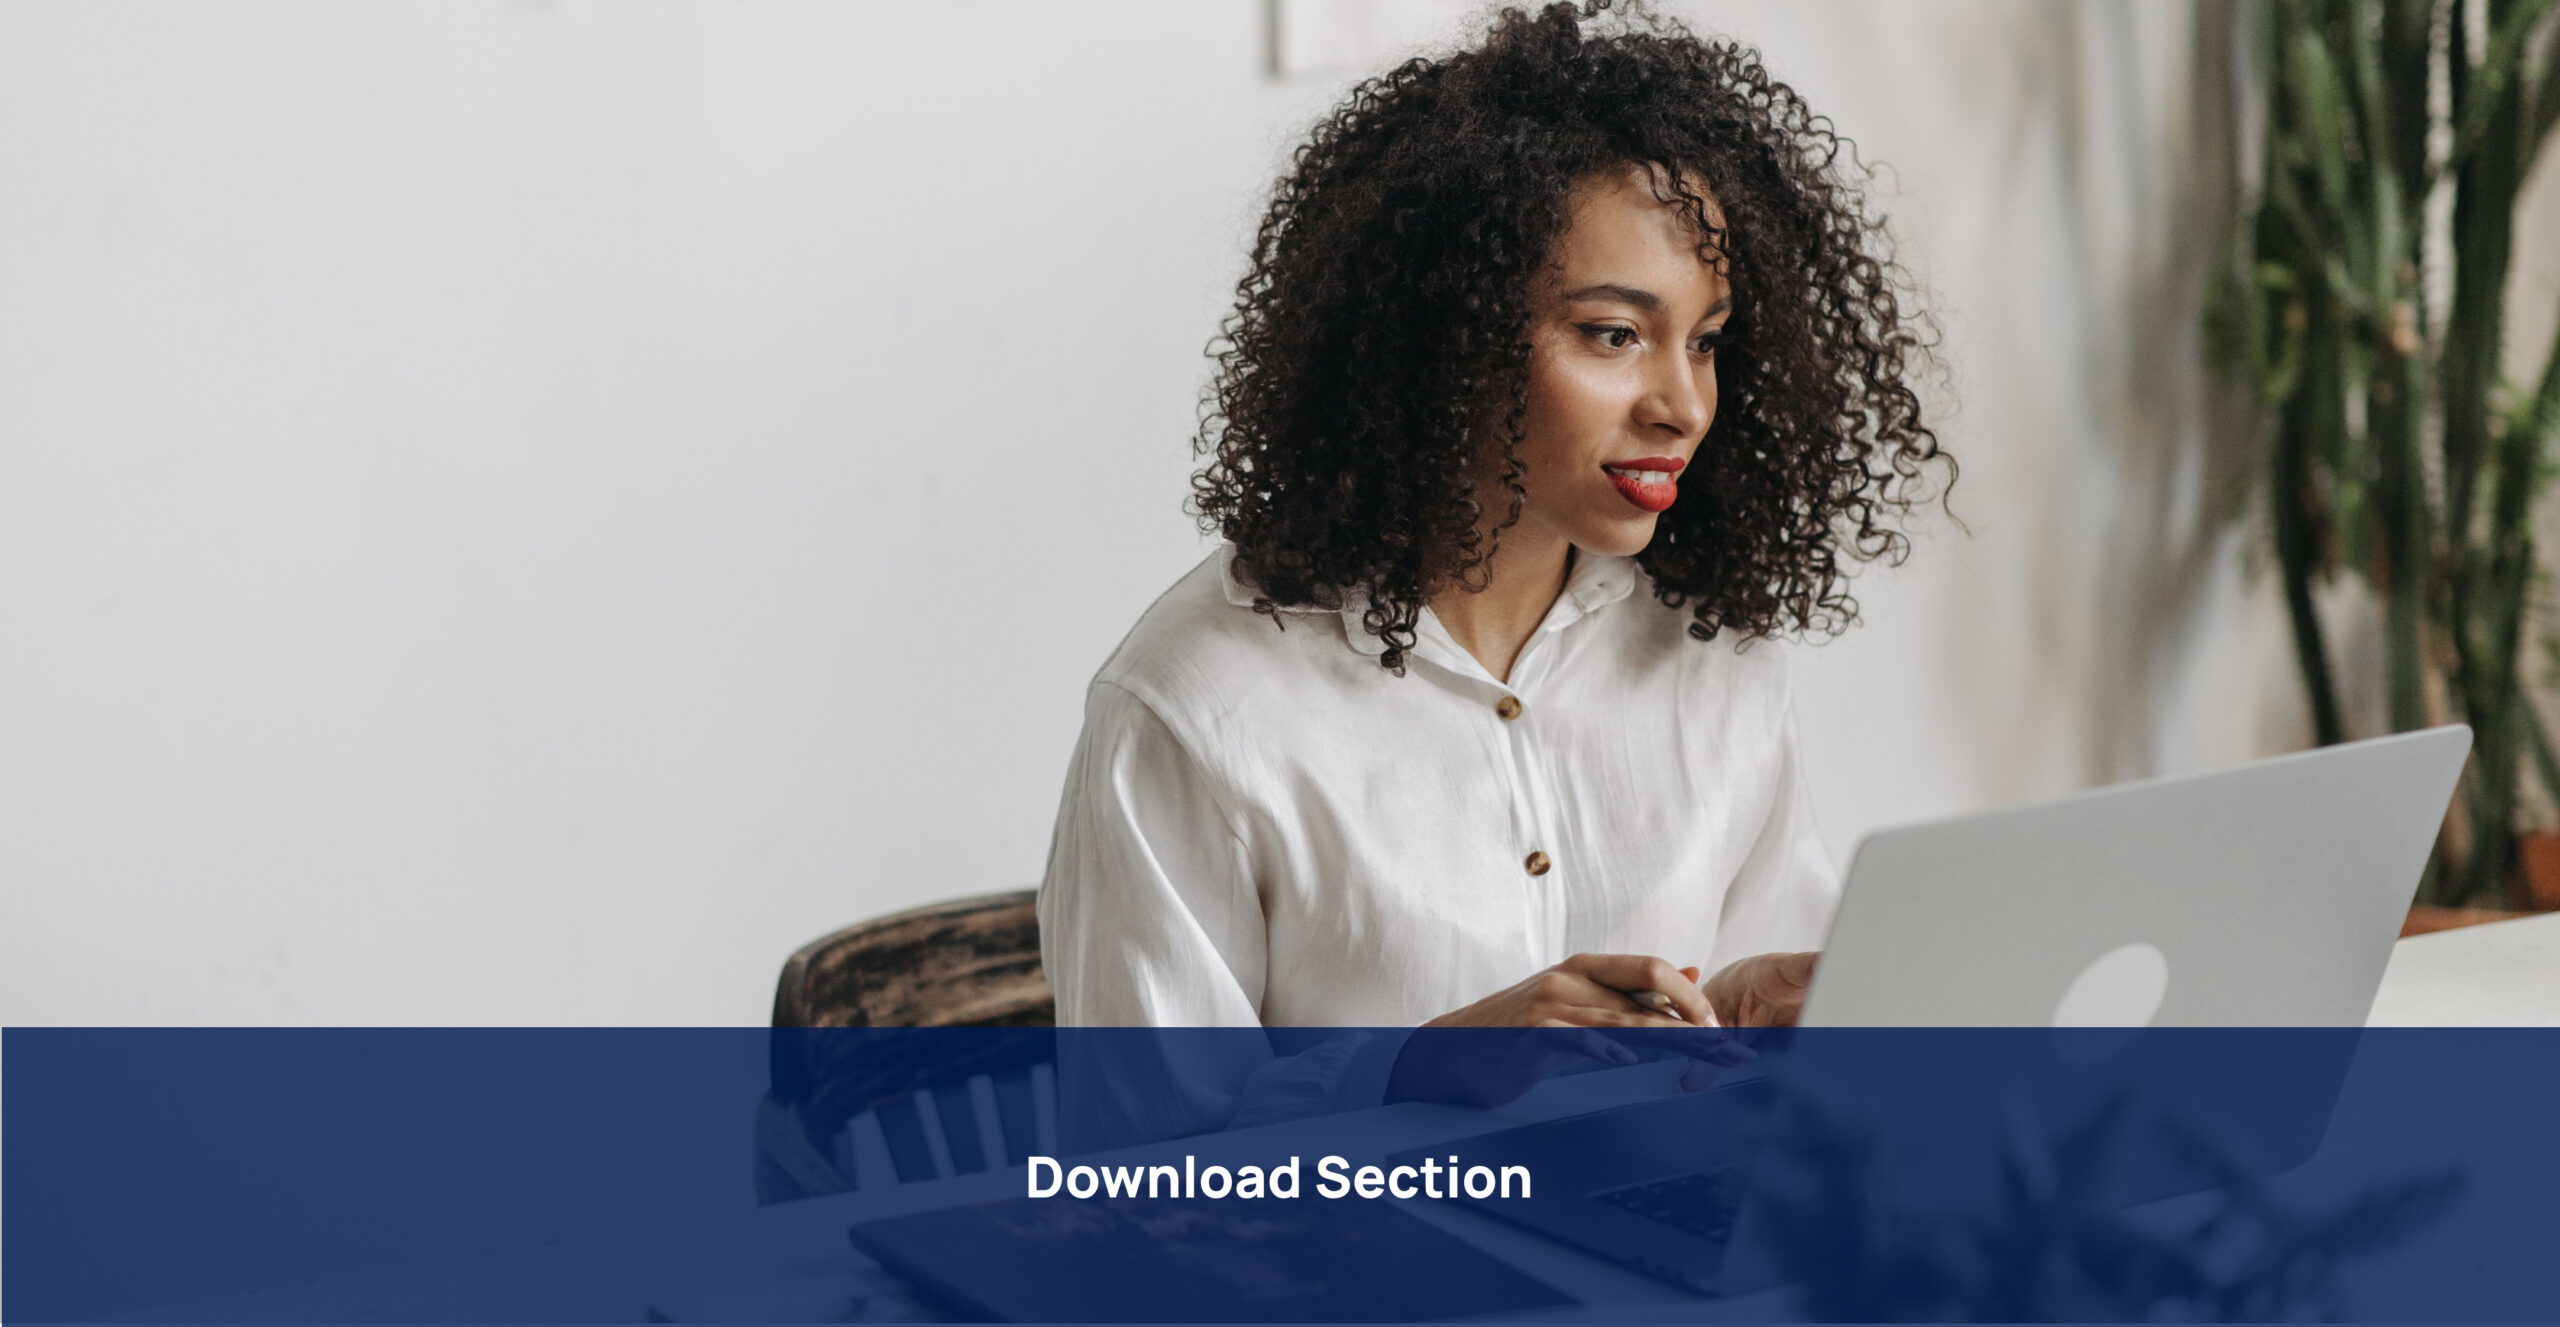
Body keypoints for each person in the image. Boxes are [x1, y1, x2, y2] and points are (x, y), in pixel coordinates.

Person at [1037, 0, 1950, 1134]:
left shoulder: (1711, 654)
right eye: (1614, 334)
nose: (1682, 405)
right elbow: (1143, 1170)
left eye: (1705, 339)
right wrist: (1417, 1070)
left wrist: (1724, 1012)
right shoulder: (1197, 707)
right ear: (1450, 337)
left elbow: (1731, 1073)